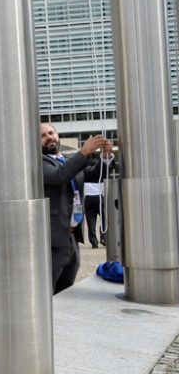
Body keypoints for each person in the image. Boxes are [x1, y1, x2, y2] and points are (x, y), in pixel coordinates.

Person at [40, 123, 112, 294]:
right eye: (43, 135)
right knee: (48, 290)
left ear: (58, 135)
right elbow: (60, 176)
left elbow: (95, 175)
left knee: (67, 290)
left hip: (73, 237)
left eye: (51, 132)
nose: (49, 137)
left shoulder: (67, 160)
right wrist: (84, 152)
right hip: (54, 242)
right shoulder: (39, 163)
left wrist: (106, 157)